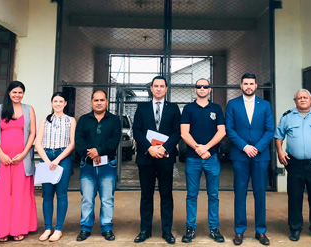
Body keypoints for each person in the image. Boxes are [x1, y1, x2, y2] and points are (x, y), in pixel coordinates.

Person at [275, 89, 311, 243]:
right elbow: (278, 136)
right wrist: (280, 151)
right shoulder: (287, 117)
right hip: (294, 165)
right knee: (295, 197)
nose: (302, 100)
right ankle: (295, 228)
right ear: (295, 101)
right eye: (299, 98)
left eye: (305, 97)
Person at [0, 80, 37, 242]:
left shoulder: (29, 110)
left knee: (20, 196)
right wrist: (1, 154)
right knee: (2, 196)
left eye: (20, 92)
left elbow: (33, 133)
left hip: (21, 160)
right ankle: (2, 230)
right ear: (9, 93)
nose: (17, 95)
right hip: (2, 161)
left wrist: (23, 154)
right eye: (14, 92)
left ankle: (17, 229)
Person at [225, 73, 274, 246]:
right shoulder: (233, 104)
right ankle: (239, 230)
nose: (248, 86)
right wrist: (245, 147)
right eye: (245, 83)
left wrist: (257, 148)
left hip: (260, 156)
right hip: (240, 155)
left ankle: (261, 231)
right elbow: (229, 129)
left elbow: (270, 130)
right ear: (240, 86)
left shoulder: (265, 105)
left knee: (260, 192)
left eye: (251, 83)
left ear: (256, 85)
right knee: (240, 192)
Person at [133, 76, 181, 244]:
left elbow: (177, 132)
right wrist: (150, 148)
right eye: (156, 86)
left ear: (166, 89)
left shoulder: (174, 108)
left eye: (162, 86)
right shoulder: (142, 107)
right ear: (151, 89)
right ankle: (145, 230)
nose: (159, 89)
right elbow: (136, 131)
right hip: (146, 158)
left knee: (166, 194)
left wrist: (164, 148)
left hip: (165, 158)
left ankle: (167, 231)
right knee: (146, 195)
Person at [180, 78, 226, 243]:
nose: (202, 88)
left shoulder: (216, 109)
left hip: (211, 158)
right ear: (195, 89)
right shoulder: (188, 109)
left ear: (209, 89)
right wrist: (198, 149)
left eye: (205, 86)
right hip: (193, 159)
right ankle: (190, 228)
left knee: (213, 194)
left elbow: (221, 132)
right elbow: (184, 133)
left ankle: (214, 228)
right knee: (192, 194)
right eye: (198, 86)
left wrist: (206, 148)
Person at [74, 90, 122, 242]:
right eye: (96, 100)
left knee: (107, 198)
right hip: (87, 165)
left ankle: (106, 227)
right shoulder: (83, 120)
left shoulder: (114, 120)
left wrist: (98, 151)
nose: (99, 103)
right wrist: (90, 153)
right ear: (91, 102)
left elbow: (114, 140)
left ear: (107, 102)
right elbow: (78, 139)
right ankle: (85, 228)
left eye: (102, 100)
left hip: (107, 165)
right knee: (87, 198)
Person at [35, 92, 77, 242]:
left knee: (61, 193)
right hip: (46, 157)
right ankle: (47, 228)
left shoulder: (71, 121)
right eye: (55, 101)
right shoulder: (44, 121)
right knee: (47, 195)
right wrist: (47, 161)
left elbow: (72, 143)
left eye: (61, 101)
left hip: (62, 157)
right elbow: (38, 142)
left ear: (65, 103)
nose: (58, 104)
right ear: (51, 103)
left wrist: (58, 159)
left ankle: (58, 229)